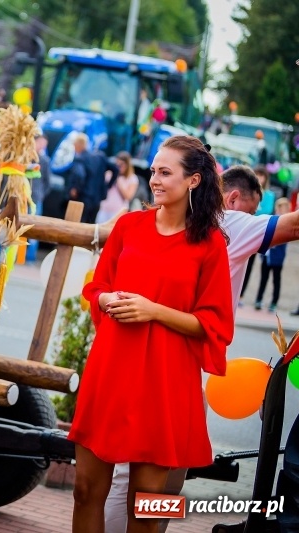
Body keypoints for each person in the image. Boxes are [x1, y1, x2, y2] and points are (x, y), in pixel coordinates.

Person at [105, 163, 299, 533]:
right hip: (168, 362)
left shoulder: (174, 224)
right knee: (139, 472)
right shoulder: (231, 223)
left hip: (178, 363)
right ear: (232, 197)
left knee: (163, 473)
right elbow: (293, 224)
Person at [71, 135, 234, 533]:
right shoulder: (128, 226)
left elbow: (215, 325)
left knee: (148, 505)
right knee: (85, 489)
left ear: (194, 180)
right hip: (111, 370)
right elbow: (96, 288)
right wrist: (108, 297)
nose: (154, 179)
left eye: (165, 172)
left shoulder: (210, 244)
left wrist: (153, 311)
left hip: (165, 380)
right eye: (153, 171)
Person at [240, 165, 275, 304]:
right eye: (257, 174)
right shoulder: (247, 193)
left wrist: (253, 213)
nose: (260, 178)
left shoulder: (269, 195)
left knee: (251, 265)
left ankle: (243, 295)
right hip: (244, 230)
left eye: (262, 175)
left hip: (258, 231)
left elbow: (267, 211)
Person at [255, 197, 290, 312]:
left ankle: (274, 302)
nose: (279, 210)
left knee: (276, 280)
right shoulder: (272, 219)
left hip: (277, 257)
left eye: (282, 208)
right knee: (263, 279)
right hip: (267, 255)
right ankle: (258, 299)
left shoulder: (287, 223)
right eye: (278, 208)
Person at [96, 151, 138, 223]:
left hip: (118, 213)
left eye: (121, 165)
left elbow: (128, 196)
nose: (119, 167)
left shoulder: (132, 178)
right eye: (117, 164)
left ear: (127, 165)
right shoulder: (109, 174)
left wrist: (118, 180)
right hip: (104, 210)